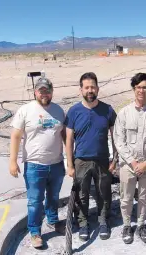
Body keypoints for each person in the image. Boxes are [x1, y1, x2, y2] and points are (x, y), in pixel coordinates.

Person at [9, 77, 66, 249]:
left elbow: (64, 135)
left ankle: (53, 220)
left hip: (56, 164)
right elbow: (16, 136)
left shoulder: (58, 111)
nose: (44, 94)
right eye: (41, 90)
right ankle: (35, 232)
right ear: (35, 92)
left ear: (52, 91)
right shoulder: (25, 110)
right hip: (34, 165)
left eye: (47, 90)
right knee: (35, 201)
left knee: (53, 197)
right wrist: (13, 161)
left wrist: (70, 158)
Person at [64, 72, 118, 241]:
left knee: (104, 193)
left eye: (92, 87)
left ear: (98, 89)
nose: (90, 90)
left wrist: (115, 159)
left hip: (102, 160)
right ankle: (82, 224)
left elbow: (116, 136)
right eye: (86, 87)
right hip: (81, 161)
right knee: (81, 195)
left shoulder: (107, 110)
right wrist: (70, 165)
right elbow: (69, 139)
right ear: (81, 90)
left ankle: (103, 222)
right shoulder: (74, 111)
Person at [113, 73, 146, 244]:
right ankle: (127, 225)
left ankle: (142, 225)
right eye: (138, 87)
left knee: (144, 197)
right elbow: (119, 141)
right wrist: (134, 162)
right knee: (126, 197)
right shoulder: (124, 113)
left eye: (144, 87)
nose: (141, 90)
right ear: (133, 89)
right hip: (128, 165)